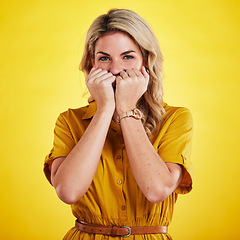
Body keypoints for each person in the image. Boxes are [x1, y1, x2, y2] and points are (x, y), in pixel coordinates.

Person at [44, 8, 193, 240]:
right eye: (104, 58)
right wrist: (105, 109)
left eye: (128, 57)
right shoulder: (69, 121)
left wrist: (125, 109)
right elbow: (68, 192)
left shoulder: (176, 118)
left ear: (146, 60)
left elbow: (156, 190)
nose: (115, 69)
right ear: (92, 63)